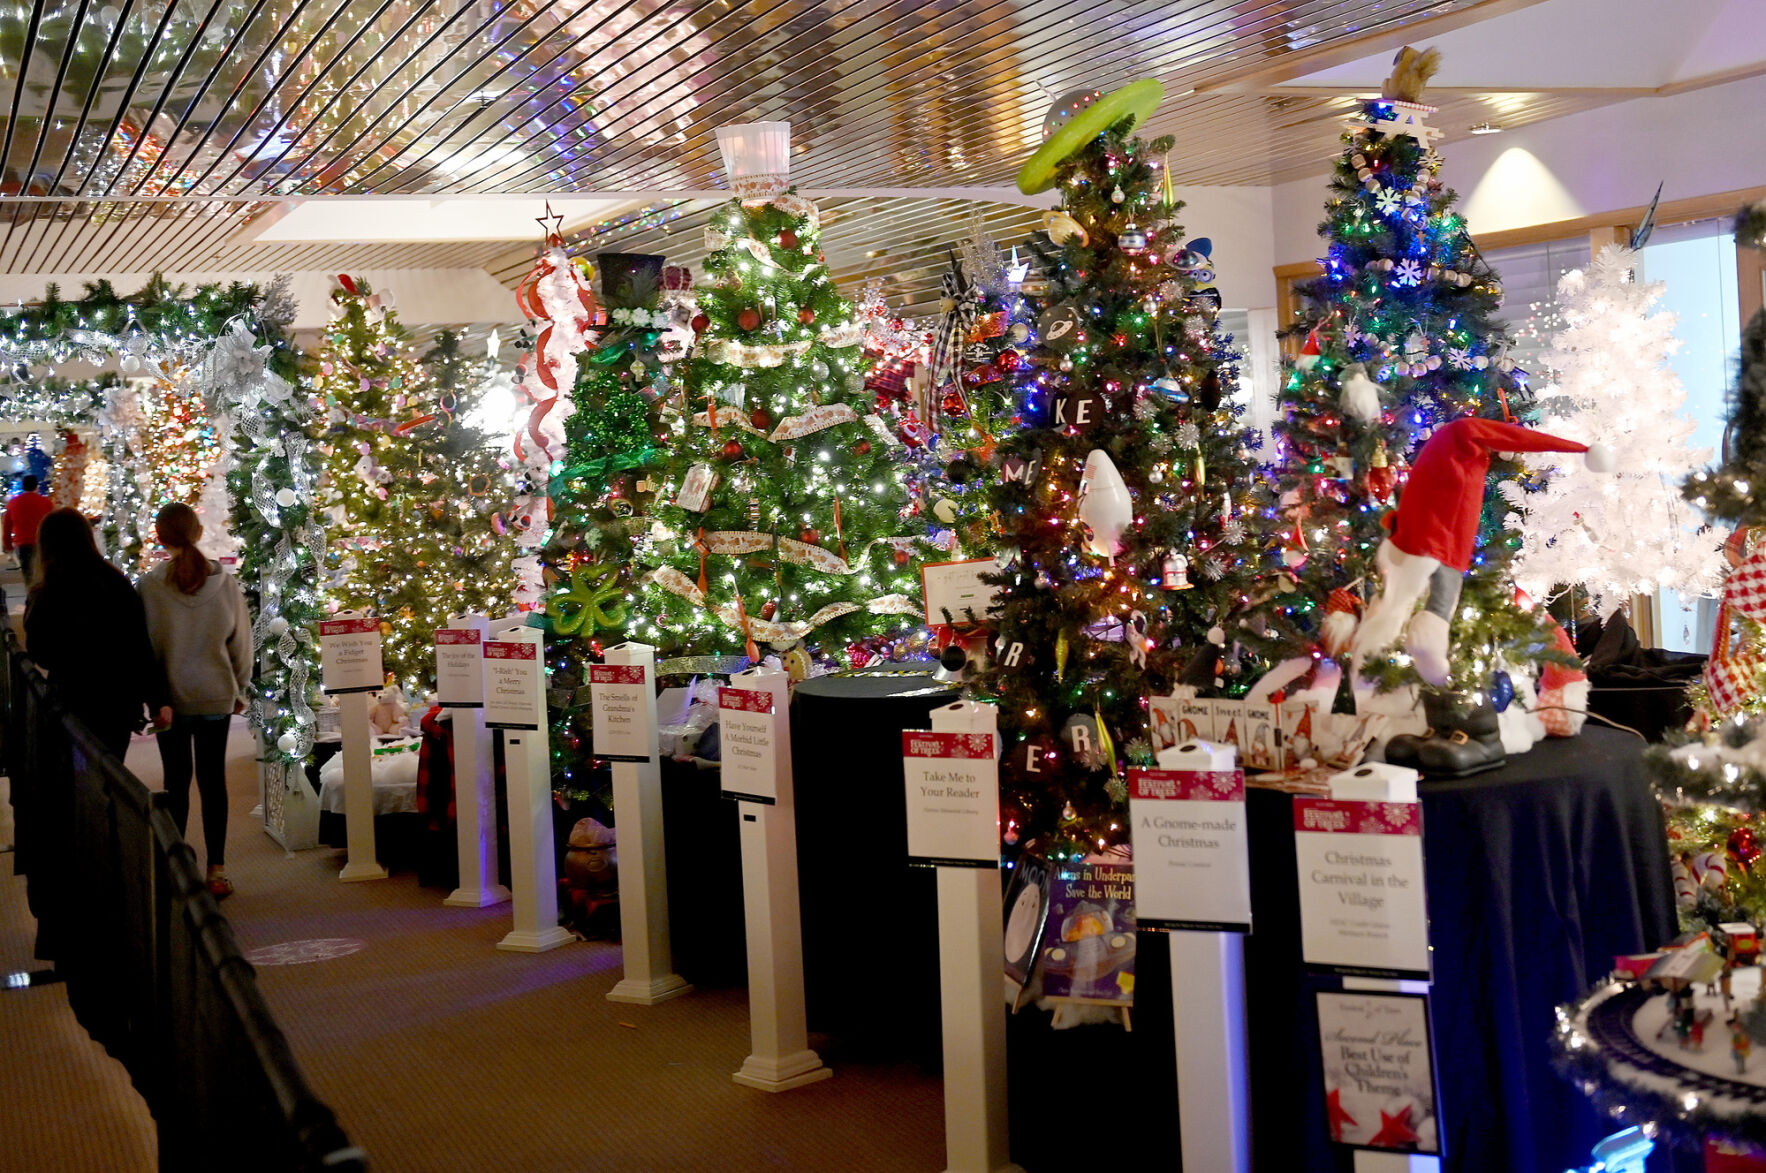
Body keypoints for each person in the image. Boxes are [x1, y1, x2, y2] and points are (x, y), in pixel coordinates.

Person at [138, 503, 252, 899]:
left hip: (170, 699)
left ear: (159, 537)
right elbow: (240, 642)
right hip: (215, 695)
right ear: (199, 533)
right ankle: (217, 870)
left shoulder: (149, 588)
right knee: (212, 781)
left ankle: (176, 869)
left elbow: (145, 650)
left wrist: (152, 697)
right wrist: (239, 687)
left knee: (175, 782)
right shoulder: (226, 584)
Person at [22, 508, 166, 757]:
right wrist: (154, 700)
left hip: (72, 697)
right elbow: (138, 645)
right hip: (116, 700)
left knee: (74, 777)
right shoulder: (115, 581)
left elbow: (39, 651)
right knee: (111, 774)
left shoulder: (48, 591)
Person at [5, 474, 56, 582]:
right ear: (36, 486)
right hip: (42, 543)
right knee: (43, 574)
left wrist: (8, 545)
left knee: (28, 575)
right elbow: (53, 524)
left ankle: (32, 595)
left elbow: (7, 527)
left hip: (23, 543)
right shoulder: (46, 502)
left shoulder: (13, 503)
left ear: (23, 486)